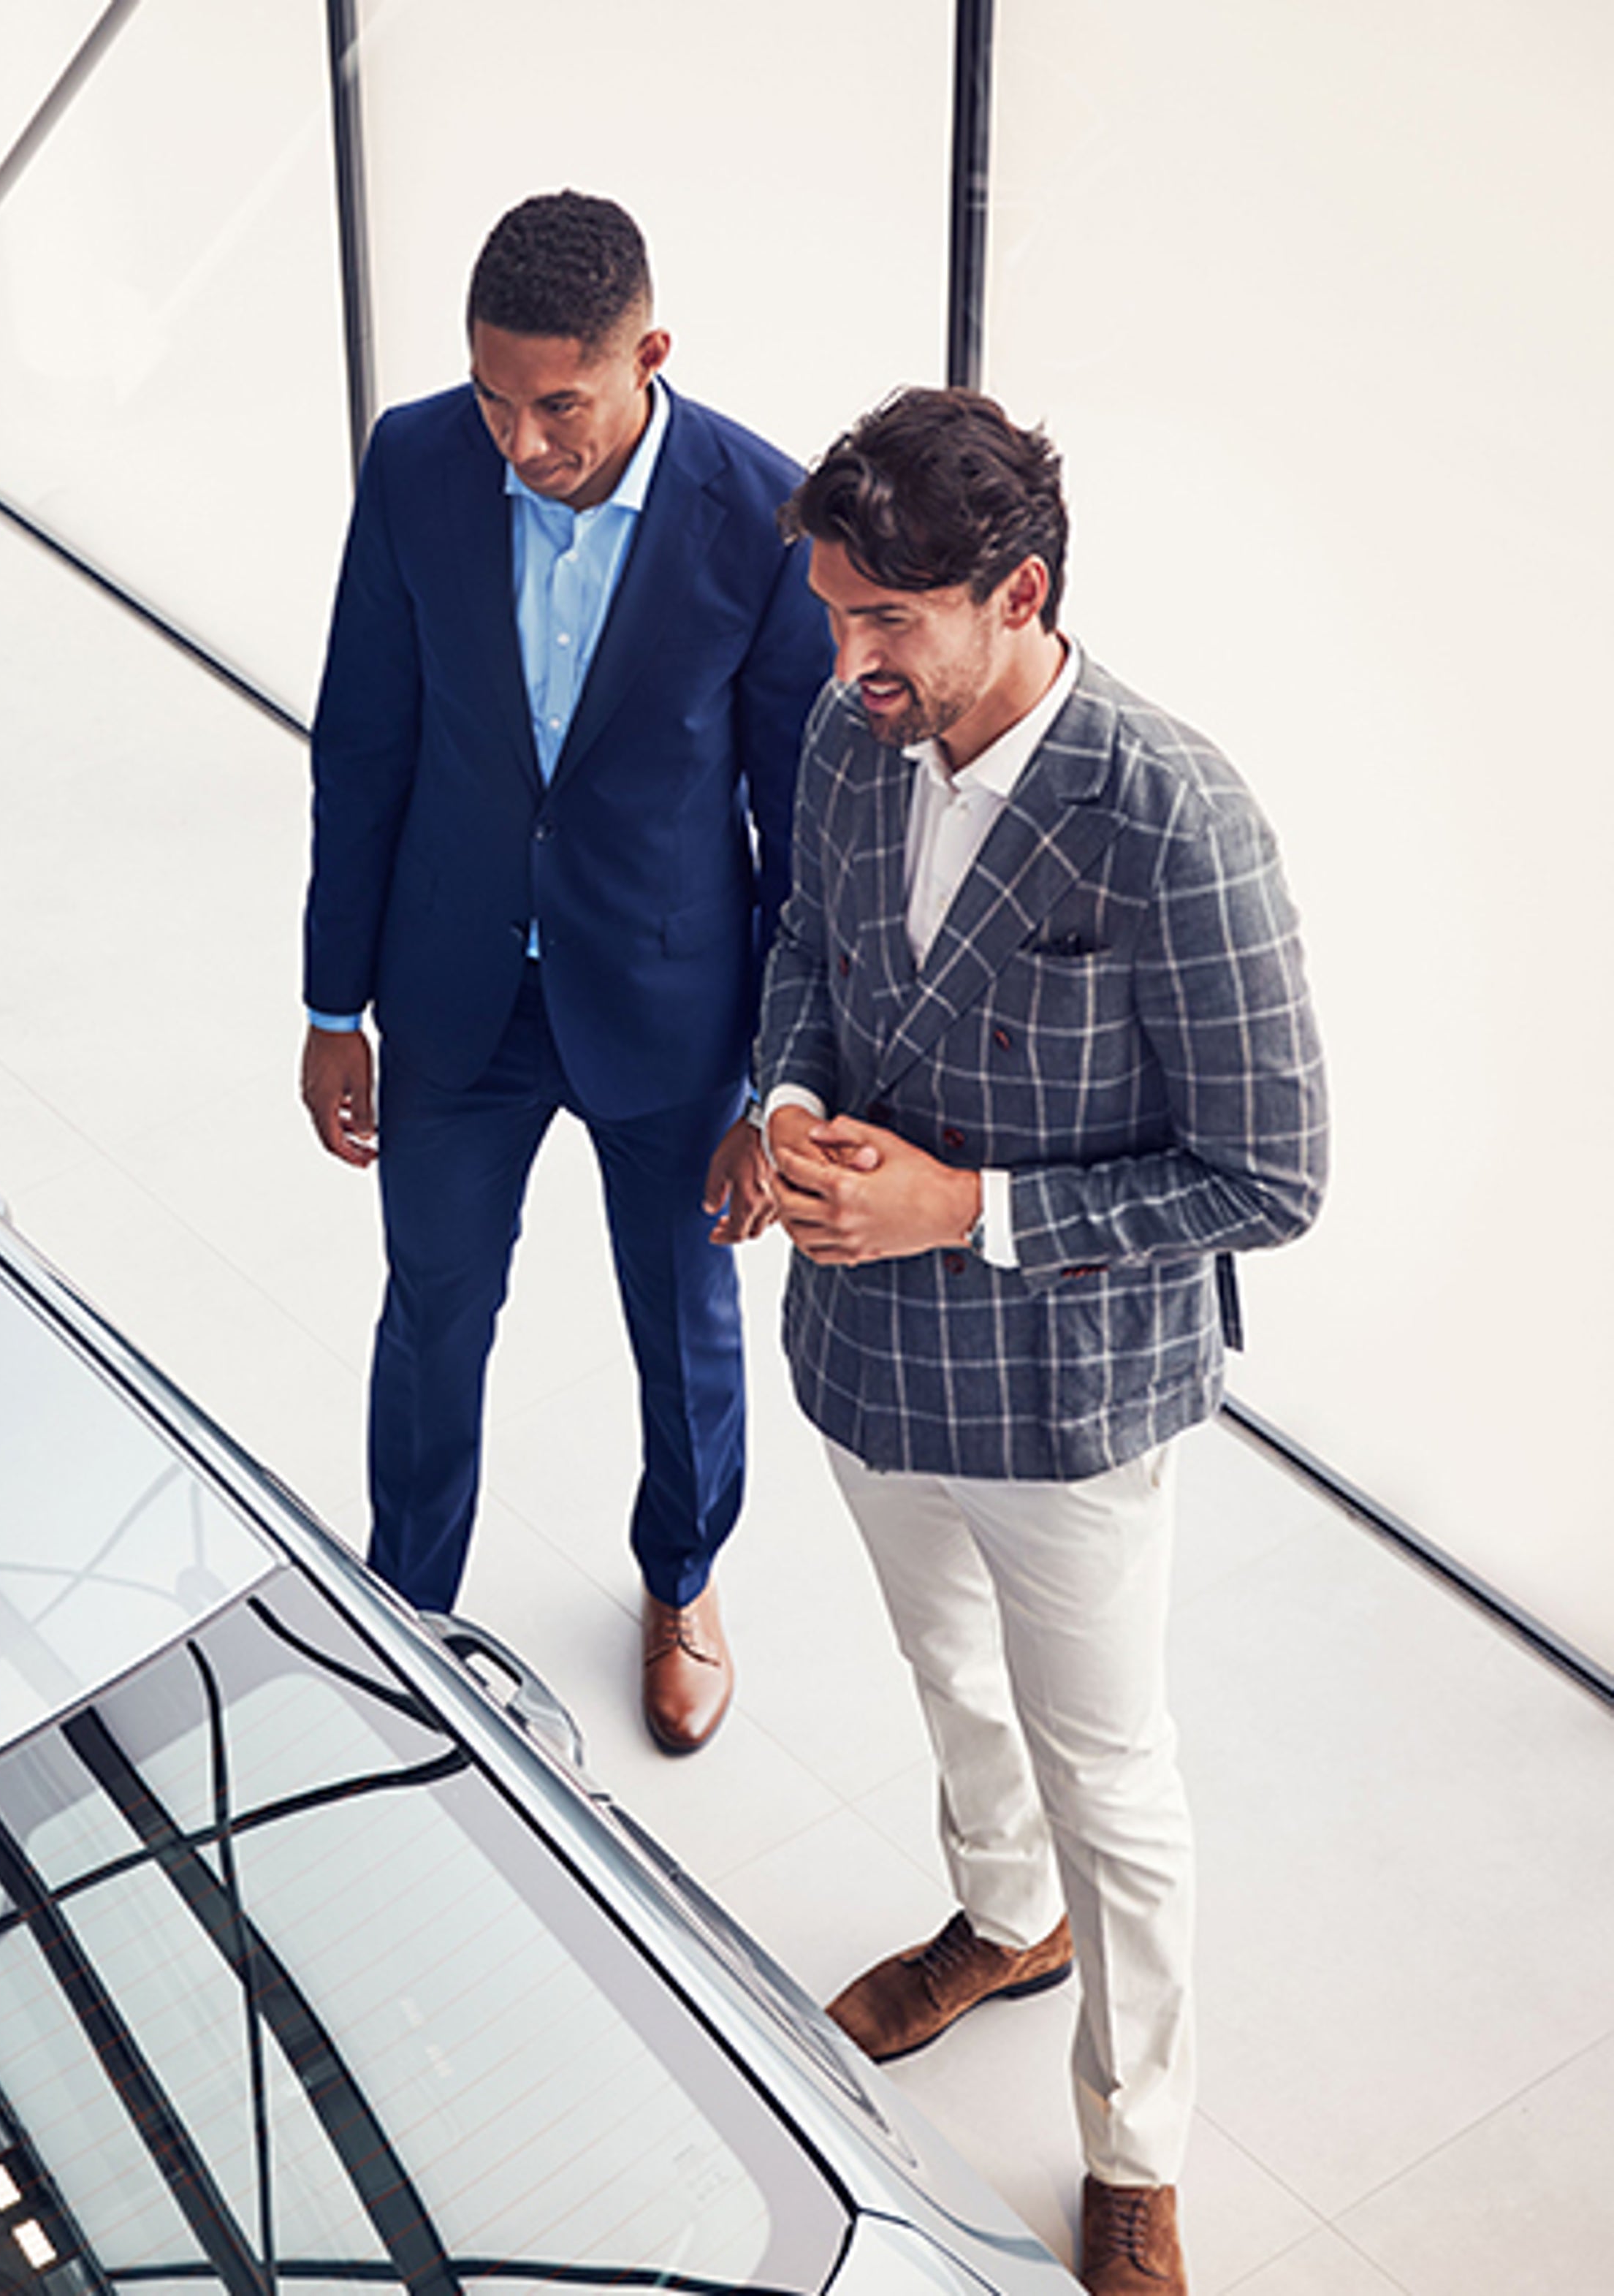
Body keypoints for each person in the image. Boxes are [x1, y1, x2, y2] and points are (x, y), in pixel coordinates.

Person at [758, 386, 1328, 2296]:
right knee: (945, 1669)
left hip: (1074, 1399)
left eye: (887, 620)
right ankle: (1002, 1918)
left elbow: (1269, 1174)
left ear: (1018, 591)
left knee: (1114, 1765)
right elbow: (808, 957)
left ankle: (1137, 2143)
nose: (848, 661)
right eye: (837, 614)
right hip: (863, 1352)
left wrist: (973, 1208)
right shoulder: (857, 737)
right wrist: (781, 1100)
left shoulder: (1174, 815)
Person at [300, 190, 828, 1752]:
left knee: (683, 1317)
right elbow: (363, 741)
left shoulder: (763, 515)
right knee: (435, 1305)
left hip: (670, 1005)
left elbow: (802, 835)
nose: (519, 442)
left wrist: (779, 1085)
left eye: (557, 405)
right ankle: (408, 1601)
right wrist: (335, 1002)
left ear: (647, 355)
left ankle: (682, 1572)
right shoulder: (414, 461)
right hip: (454, 985)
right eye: (493, 399)